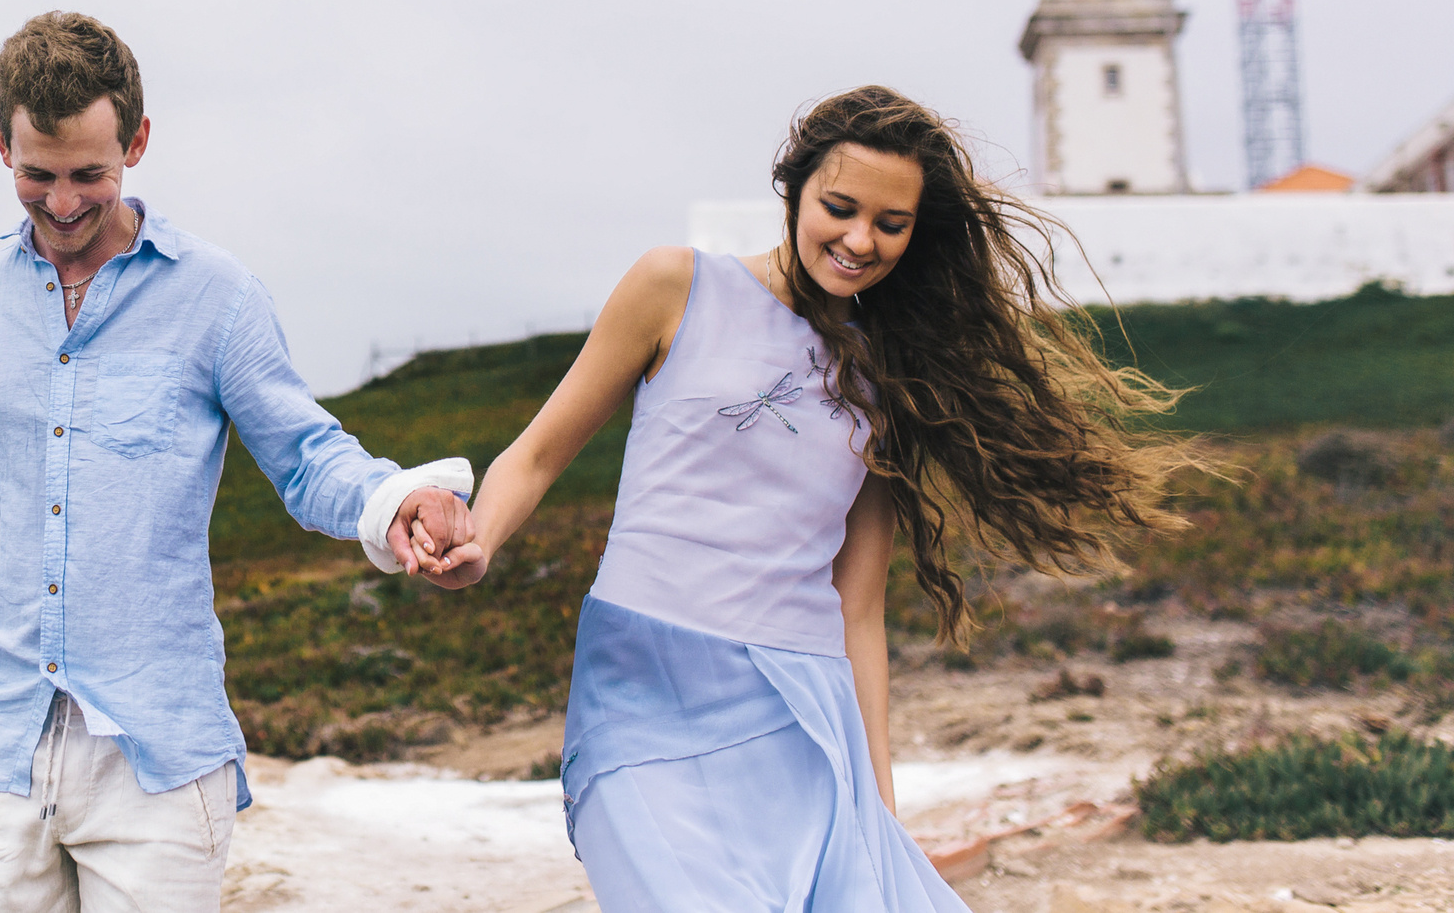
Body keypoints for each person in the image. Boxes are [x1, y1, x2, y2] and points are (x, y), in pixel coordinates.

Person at [425, 85, 1193, 911]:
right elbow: (538, 453)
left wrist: (879, 809)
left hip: (798, 709)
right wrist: (483, 541)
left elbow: (857, 608)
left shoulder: (890, 378)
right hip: (638, 687)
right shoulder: (673, 286)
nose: (860, 239)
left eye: (891, 223)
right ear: (794, 189)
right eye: (840, 206)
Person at [0, 11, 475, 912]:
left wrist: (397, 500)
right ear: (1, 144)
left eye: (90, 174)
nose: (65, 201)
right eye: (38, 175)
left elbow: (307, 454)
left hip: (156, 759)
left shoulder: (216, 295)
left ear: (139, 141)